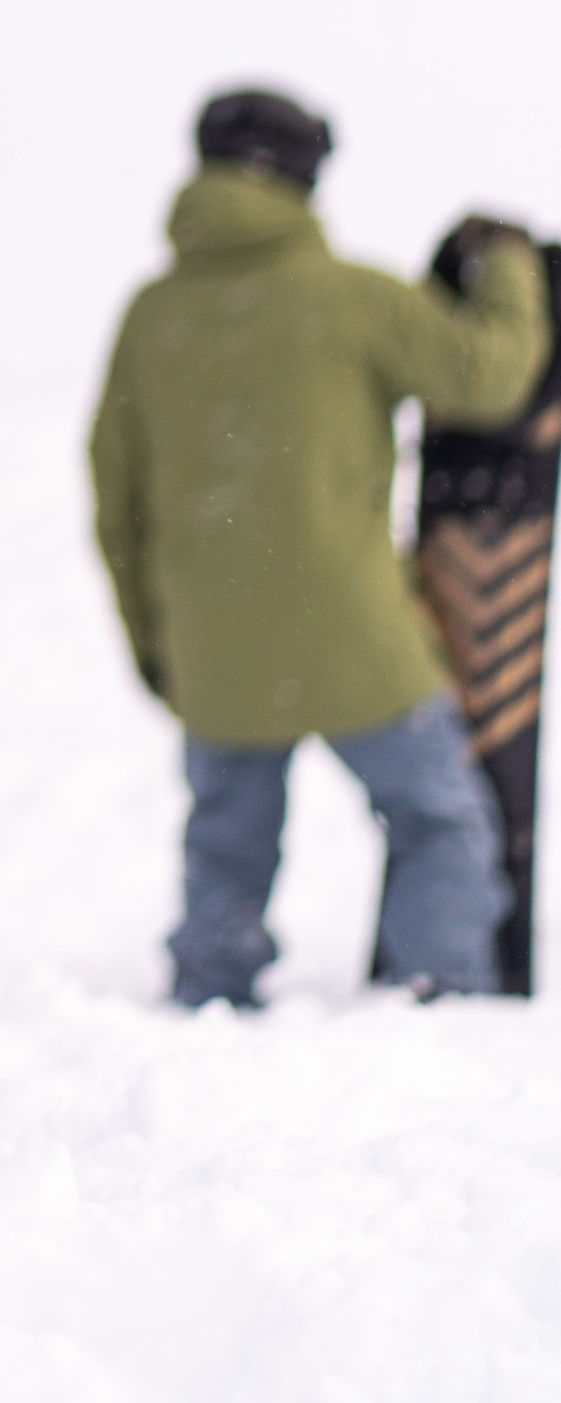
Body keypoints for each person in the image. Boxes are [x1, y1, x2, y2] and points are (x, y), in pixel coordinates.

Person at [90, 84, 550, 1010]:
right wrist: (508, 267)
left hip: (213, 642)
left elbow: (117, 500)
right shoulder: (350, 298)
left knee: (226, 838)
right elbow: (488, 376)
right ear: (302, 177)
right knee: (440, 821)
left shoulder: (151, 316)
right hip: (353, 637)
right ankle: (436, 992)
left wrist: (155, 644)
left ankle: (209, 998)